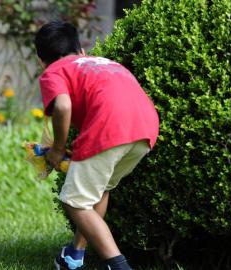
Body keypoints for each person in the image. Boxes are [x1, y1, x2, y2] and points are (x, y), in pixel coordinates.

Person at [34, 21, 159, 270]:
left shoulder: (53, 71)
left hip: (110, 129)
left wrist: (58, 149)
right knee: (100, 189)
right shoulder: (104, 62)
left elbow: (63, 106)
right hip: (145, 129)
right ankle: (74, 255)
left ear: (41, 61)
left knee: (74, 201)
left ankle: (119, 267)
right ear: (81, 51)